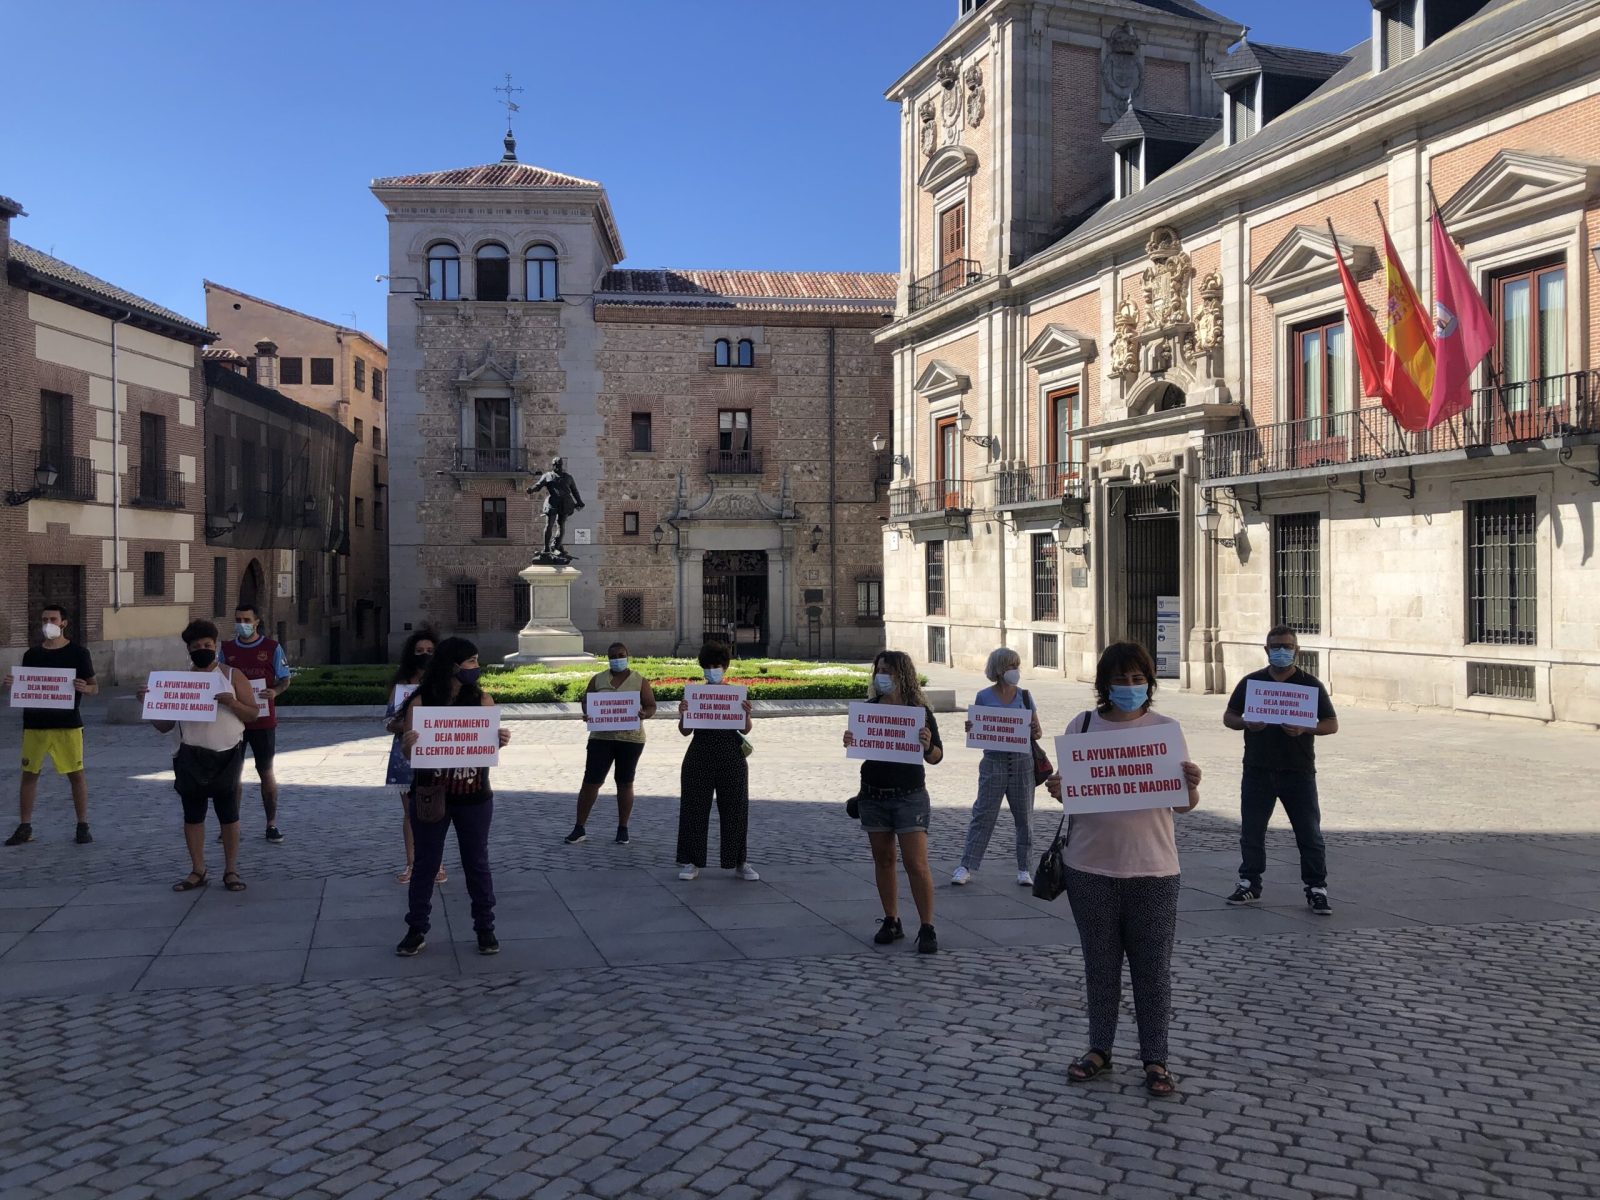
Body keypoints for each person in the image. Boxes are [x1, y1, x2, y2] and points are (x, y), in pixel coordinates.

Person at [1044, 640, 1202, 1098]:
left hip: (1154, 868)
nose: (1129, 687)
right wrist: (1059, 787)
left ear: (1149, 684)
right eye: (1120, 680)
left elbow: (1182, 805)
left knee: (1153, 969)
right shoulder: (1083, 726)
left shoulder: (1166, 729)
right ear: (1104, 684)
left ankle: (1156, 1059)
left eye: (1138, 680)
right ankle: (1099, 1049)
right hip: (1088, 867)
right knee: (1101, 964)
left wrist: (1190, 786)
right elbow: (1069, 794)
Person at [394, 637, 512, 957]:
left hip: (473, 793)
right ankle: (416, 928)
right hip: (431, 794)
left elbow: (485, 749)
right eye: (470, 661)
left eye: (475, 660)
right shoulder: (421, 703)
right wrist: (409, 744)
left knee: (477, 863)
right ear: (452, 665)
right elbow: (409, 752)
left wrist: (498, 741)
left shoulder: (482, 700)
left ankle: (485, 928)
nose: (476, 666)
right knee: (425, 864)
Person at [1223, 624, 1339, 914]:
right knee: (1252, 831)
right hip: (1258, 769)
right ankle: (1249, 882)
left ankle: (1316, 888)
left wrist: (1305, 727)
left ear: (1297, 650)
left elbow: (1331, 724)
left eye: (1287, 647)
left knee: (1309, 833)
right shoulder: (1252, 683)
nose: (1282, 652)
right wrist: (1245, 722)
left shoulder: (1311, 685)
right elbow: (1229, 716)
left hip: (1298, 771)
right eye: (1276, 647)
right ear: (1266, 650)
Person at [143, 620, 260, 893]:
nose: (203, 650)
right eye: (196, 647)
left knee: (228, 814)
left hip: (227, 754)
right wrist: (149, 705)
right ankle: (198, 869)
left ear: (216, 646)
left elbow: (253, 713)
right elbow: (164, 726)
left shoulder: (232, 676)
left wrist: (231, 701)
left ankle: (231, 870)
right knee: (192, 815)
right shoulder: (180, 683)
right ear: (189, 650)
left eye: (207, 645)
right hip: (189, 755)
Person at [842, 649, 943, 954]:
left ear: (902, 674)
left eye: (887, 670)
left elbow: (937, 756)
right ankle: (891, 919)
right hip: (873, 794)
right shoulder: (869, 709)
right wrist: (851, 740)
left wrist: (927, 746)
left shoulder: (919, 712)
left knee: (916, 863)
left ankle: (927, 927)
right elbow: (863, 744)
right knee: (884, 860)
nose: (881, 676)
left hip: (909, 796)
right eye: (878, 670)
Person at [2, 604, 98, 846]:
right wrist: (14, 684)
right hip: (35, 724)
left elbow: (95, 687)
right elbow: (26, 685)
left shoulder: (78, 653)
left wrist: (85, 688)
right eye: (44, 619)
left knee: (76, 774)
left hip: (67, 723)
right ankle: (25, 827)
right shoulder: (31, 654)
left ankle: (82, 825)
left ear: (64, 623)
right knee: (29, 773)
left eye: (53, 619)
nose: (48, 623)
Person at [953, 646, 1042, 888]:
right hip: (994, 762)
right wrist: (972, 728)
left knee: (1024, 818)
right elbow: (978, 726)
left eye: (1017, 666)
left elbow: (1038, 729)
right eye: (1011, 666)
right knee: (983, 815)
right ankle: (966, 866)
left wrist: (1034, 730)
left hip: (1022, 762)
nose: (1016, 671)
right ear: (999, 670)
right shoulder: (984, 696)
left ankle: (1025, 868)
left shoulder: (1025, 696)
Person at [674, 640, 758, 882]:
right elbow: (685, 731)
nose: (712, 670)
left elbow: (746, 728)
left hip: (731, 755)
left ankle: (739, 861)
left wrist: (747, 713)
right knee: (694, 809)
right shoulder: (695, 695)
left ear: (725, 667)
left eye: (717, 666)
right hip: (699, 754)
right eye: (708, 666)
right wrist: (683, 714)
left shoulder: (735, 694)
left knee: (735, 809)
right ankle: (691, 861)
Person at [565, 642, 658, 846]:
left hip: (630, 739)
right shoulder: (598, 679)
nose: (617, 658)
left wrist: (645, 714)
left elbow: (651, 705)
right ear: (608, 659)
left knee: (625, 783)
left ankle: (623, 828)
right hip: (601, 738)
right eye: (613, 656)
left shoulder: (639, 680)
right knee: (591, 782)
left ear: (628, 655)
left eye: (621, 655)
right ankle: (579, 827)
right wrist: (589, 713)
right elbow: (586, 701)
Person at [221, 604, 292, 844]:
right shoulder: (226, 649)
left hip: (263, 721)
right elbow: (216, 676)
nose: (242, 623)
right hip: (234, 720)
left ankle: (271, 824)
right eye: (238, 619)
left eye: (246, 619)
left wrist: (274, 691)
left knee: (266, 772)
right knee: (232, 775)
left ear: (256, 621)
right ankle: (231, 824)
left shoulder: (271, 648)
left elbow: (285, 679)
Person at [385, 629, 444, 884]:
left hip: (436, 756)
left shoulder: (444, 686)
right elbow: (389, 721)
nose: (425, 655)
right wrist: (409, 726)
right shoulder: (402, 688)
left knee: (437, 811)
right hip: (405, 756)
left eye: (430, 651)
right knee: (411, 812)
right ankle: (412, 863)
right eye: (419, 651)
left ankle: (436, 863)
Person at [529, 455, 584, 559]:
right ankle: (546, 548)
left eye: (559, 465)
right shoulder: (547, 476)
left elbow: (575, 491)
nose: (558, 467)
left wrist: (580, 502)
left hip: (565, 503)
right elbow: (538, 485)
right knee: (549, 524)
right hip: (552, 502)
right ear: (553, 466)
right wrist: (531, 489)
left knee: (561, 525)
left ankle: (556, 546)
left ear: (561, 465)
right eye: (556, 465)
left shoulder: (568, 477)